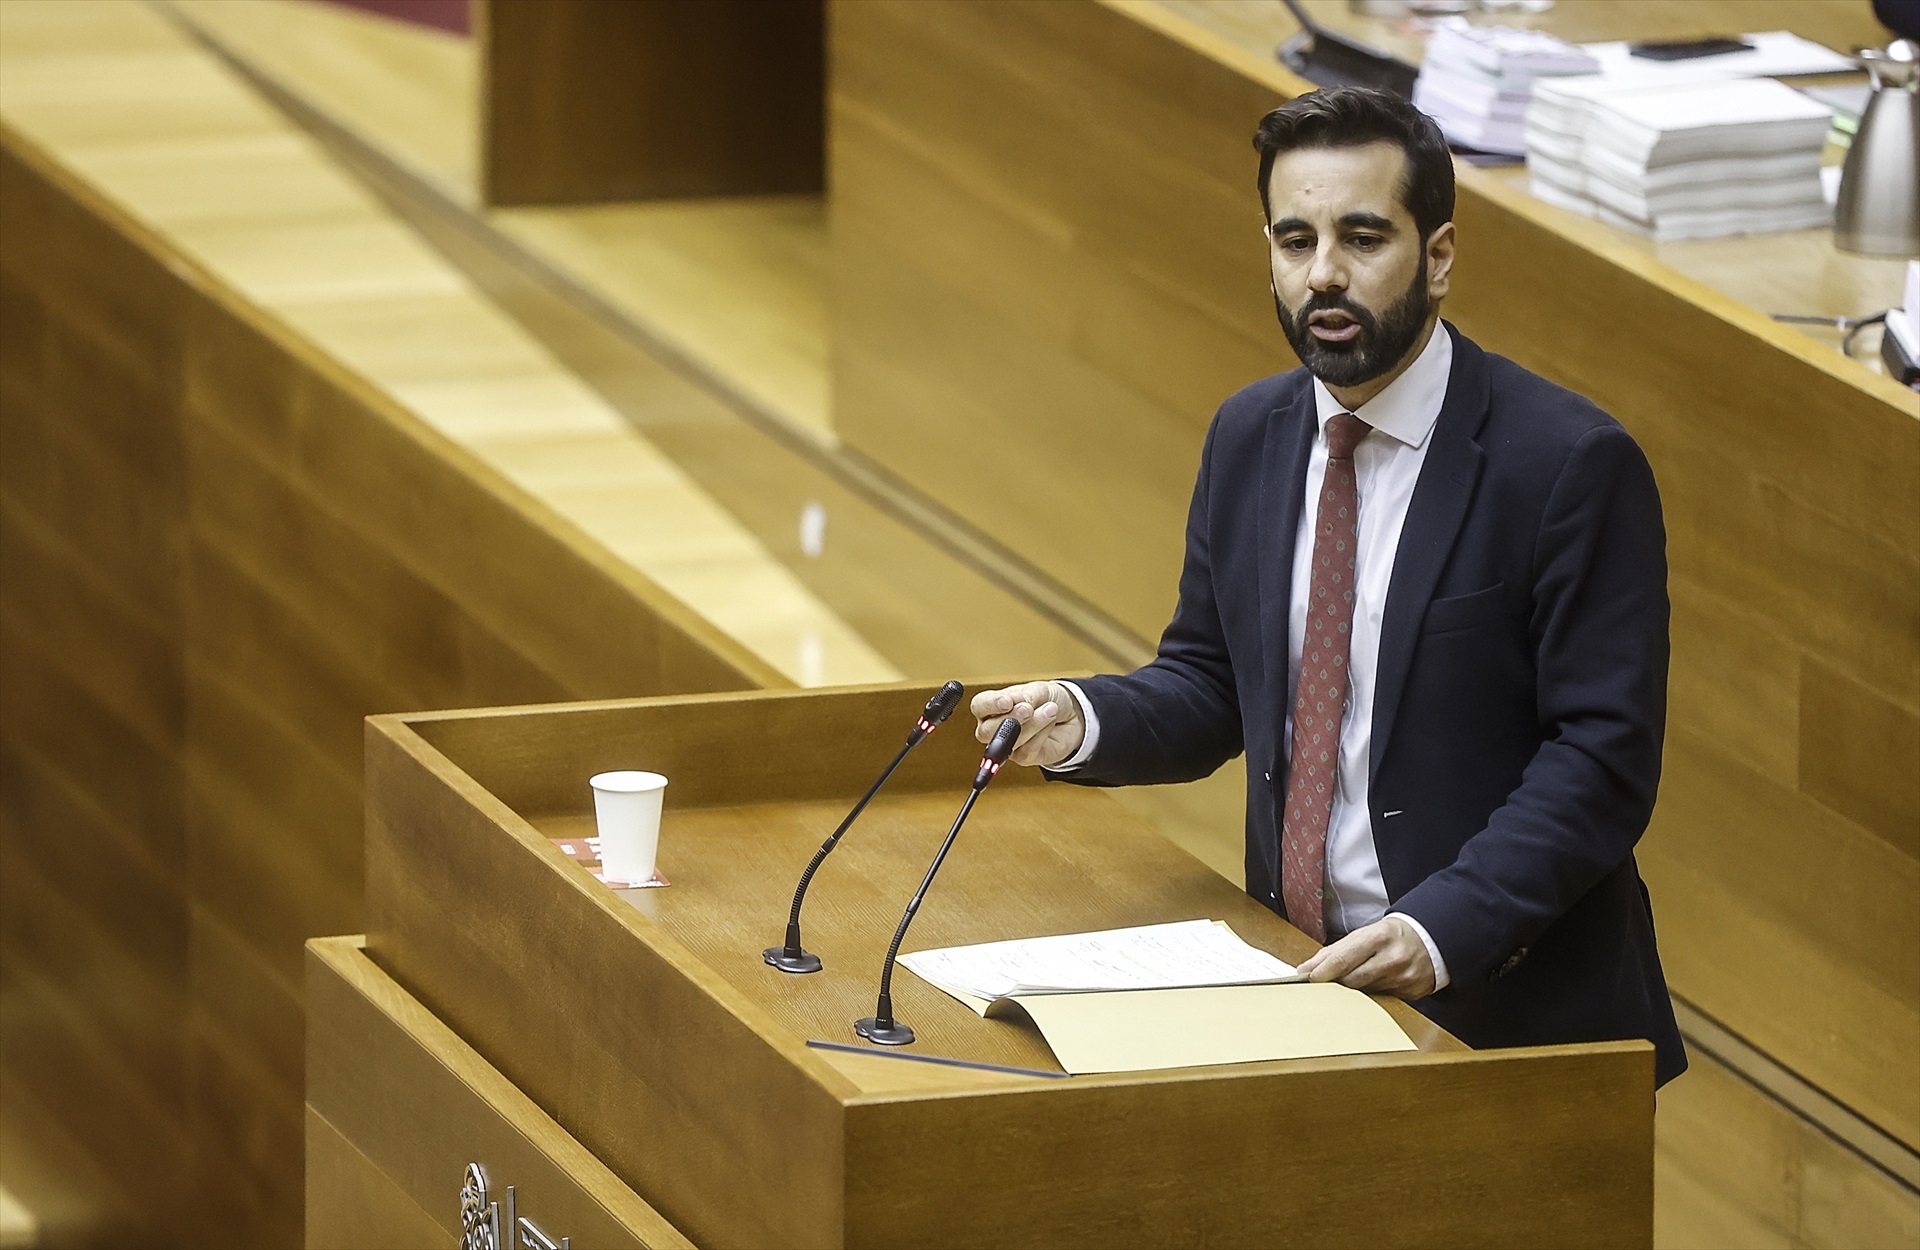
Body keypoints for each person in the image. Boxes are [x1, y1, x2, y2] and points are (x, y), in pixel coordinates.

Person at [972, 86, 1684, 1084]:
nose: (1325, 275)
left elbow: (1602, 759)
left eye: (1362, 237)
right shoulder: (1249, 435)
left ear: (1438, 255)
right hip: (1306, 987)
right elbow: (1216, 681)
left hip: (1510, 1014)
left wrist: (1439, 927)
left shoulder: (1566, 464)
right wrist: (1082, 716)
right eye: (1294, 239)